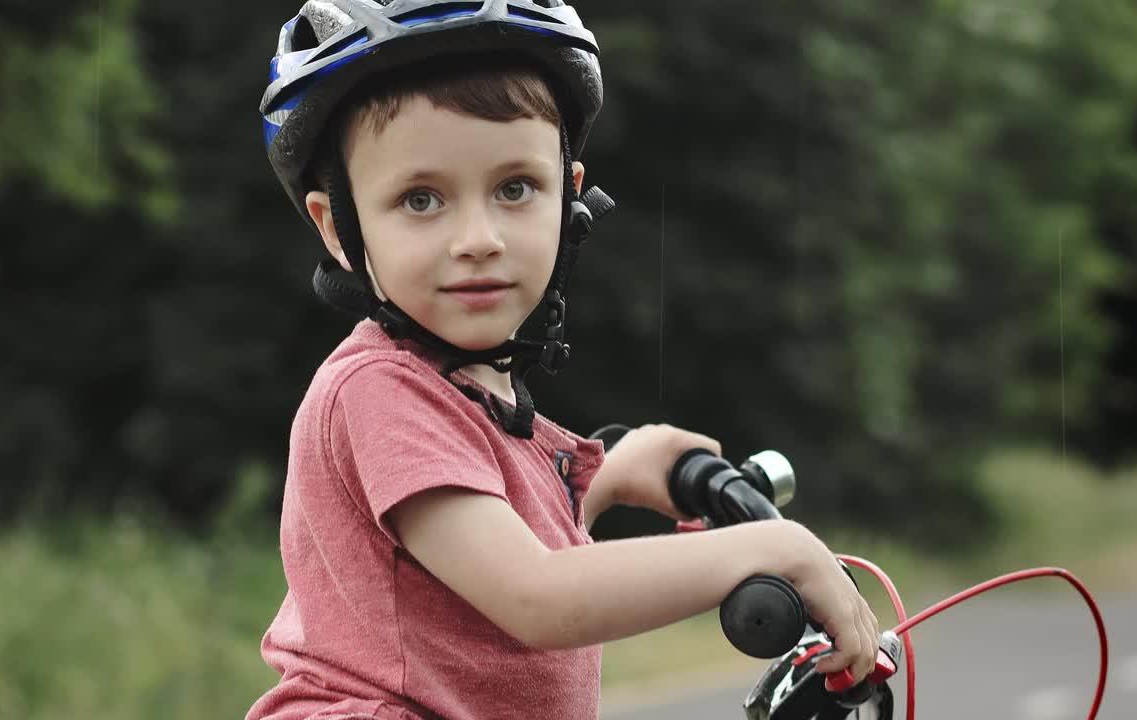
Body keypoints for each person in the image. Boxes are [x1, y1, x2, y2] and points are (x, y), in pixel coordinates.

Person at [248, 2, 878, 719]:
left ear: (567, 196)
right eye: (421, 199)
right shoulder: (375, 392)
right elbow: (535, 594)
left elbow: (486, 530)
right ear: (339, 228)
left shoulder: (474, 399)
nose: (479, 237)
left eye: (515, 188)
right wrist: (776, 550)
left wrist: (607, 479)